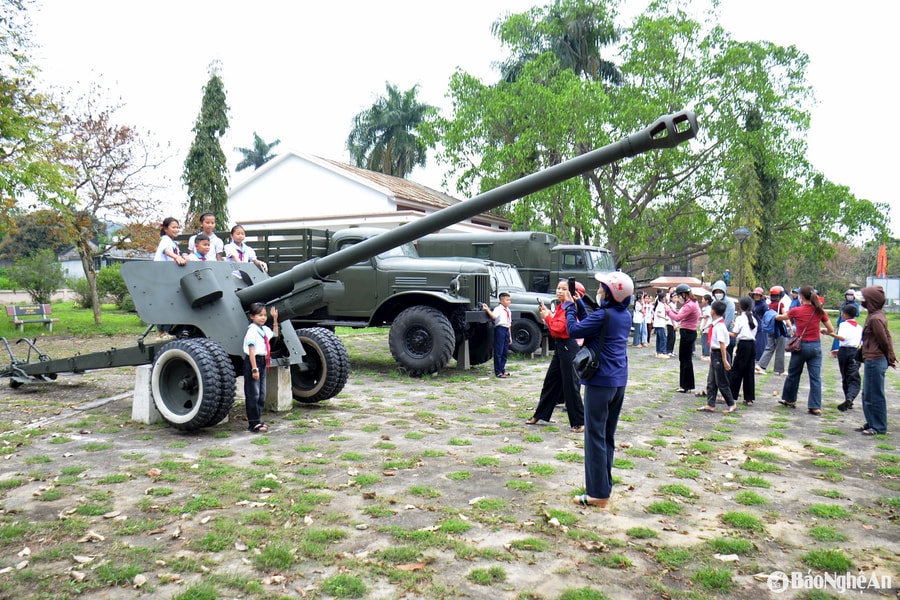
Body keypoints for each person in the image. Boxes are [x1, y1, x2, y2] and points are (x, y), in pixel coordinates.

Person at [564, 271, 633, 509]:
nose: (600, 290)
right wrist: (580, 303)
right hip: (618, 381)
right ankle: (605, 486)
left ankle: (597, 494)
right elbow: (594, 326)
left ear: (611, 293)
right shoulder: (623, 315)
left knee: (593, 436)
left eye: (603, 287)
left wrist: (569, 307)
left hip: (599, 381)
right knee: (607, 435)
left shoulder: (604, 315)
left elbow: (574, 330)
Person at [527, 281, 585, 432]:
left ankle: (579, 421)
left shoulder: (571, 308)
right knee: (551, 382)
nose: (559, 291)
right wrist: (549, 315)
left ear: (572, 293)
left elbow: (559, 327)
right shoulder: (560, 307)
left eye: (564, 289)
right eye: (558, 288)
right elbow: (555, 327)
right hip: (560, 346)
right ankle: (540, 414)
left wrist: (547, 317)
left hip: (568, 346)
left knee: (570, 386)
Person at [776, 285, 833, 415]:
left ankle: (790, 399)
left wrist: (774, 316)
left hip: (800, 347)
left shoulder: (797, 310)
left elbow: (781, 317)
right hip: (815, 347)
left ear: (801, 297)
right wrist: (822, 330)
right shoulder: (819, 311)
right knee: (815, 378)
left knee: (794, 374)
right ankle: (815, 406)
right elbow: (831, 329)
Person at [856, 286, 897, 435]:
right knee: (867, 393)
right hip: (872, 359)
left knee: (874, 394)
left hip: (875, 359)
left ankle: (879, 426)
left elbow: (884, 340)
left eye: (865, 299)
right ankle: (871, 422)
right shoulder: (875, 315)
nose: (862, 302)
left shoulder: (875, 319)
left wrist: (889, 357)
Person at [243, 302, 279, 434]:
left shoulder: (263, 330)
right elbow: (251, 350)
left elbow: (275, 334)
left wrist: (274, 319)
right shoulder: (252, 331)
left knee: (261, 395)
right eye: (259, 315)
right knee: (253, 394)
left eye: (264, 315)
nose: (263, 318)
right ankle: (253, 423)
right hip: (254, 362)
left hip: (263, 361)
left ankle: (257, 419)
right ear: (252, 317)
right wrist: (254, 369)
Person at [697, 300, 736, 413]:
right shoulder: (715, 325)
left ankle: (731, 403)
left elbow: (722, 344)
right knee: (711, 381)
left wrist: (724, 360)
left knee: (721, 382)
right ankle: (710, 404)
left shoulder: (719, 326)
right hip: (715, 354)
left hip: (720, 354)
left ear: (713, 311)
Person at [822, 304, 862, 412]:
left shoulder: (843, 325)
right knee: (853, 376)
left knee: (845, 376)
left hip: (844, 352)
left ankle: (848, 398)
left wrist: (829, 333)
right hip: (855, 352)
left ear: (843, 314)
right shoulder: (859, 327)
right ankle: (850, 398)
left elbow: (843, 338)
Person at [666, 283, 700, 393]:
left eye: (679, 295)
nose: (679, 297)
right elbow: (680, 314)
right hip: (688, 332)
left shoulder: (689, 305)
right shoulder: (691, 303)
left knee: (685, 359)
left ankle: (686, 385)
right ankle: (685, 385)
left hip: (687, 333)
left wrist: (668, 311)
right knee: (685, 359)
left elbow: (677, 318)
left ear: (684, 294)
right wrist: (672, 310)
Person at [729, 296, 758, 406]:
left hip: (743, 345)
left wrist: (726, 332)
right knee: (749, 371)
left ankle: (732, 395)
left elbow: (735, 334)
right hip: (751, 345)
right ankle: (749, 398)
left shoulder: (740, 319)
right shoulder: (753, 319)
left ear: (741, 306)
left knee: (737, 370)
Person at [757, 286, 790, 375]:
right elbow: (785, 316)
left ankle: (761, 365)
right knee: (780, 349)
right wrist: (790, 326)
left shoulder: (769, 305)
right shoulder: (780, 304)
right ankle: (780, 370)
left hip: (770, 329)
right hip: (779, 329)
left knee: (769, 347)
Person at [483, 292, 513, 378]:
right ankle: (498, 371)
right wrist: (487, 310)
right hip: (500, 329)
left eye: (509, 300)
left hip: (506, 330)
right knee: (499, 351)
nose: (509, 302)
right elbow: (493, 316)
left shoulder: (508, 310)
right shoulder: (498, 309)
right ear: (502, 301)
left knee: (505, 351)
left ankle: (502, 369)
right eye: (507, 300)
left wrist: (510, 336)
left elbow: (509, 324)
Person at [830, 289, 860, 354]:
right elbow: (840, 314)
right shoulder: (844, 304)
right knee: (838, 337)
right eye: (848, 294)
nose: (849, 296)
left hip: (850, 322)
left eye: (851, 295)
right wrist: (838, 323)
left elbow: (857, 314)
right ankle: (836, 350)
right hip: (842, 321)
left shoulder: (856, 304)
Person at [711, 280, 735, 359]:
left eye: (720, 291)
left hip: (727, 335)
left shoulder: (729, 303)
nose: (718, 294)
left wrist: (721, 329)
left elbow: (728, 320)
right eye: (716, 292)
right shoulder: (714, 303)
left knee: (727, 358)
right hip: (716, 336)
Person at [750, 287, 768, 360]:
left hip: (761, 326)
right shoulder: (754, 303)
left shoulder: (764, 305)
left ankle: (760, 360)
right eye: (755, 295)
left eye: (758, 295)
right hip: (754, 325)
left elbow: (766, 315)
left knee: (760, 344)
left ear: (761, 296)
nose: (756, 296)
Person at [652, 290, 669, 358]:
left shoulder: (661, 304)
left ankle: (658, 351)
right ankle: (662, 352)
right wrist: (664, 318)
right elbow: (658, 314)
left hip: (659, 324)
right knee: (663, 338)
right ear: (662, 298)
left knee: (659, 338)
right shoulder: (660, 305)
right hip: (660, 324)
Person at [698, 294, 713, 361]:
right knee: (704, 341)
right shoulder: (705, 308)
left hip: (706, 328)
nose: (702, 300)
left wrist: (703, 327)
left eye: (703, 299)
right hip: (705, 328)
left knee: (706, 341)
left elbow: (707, 319)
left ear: (707, 301)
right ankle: (704, 354)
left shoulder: (708, 308)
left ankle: (706, 354)